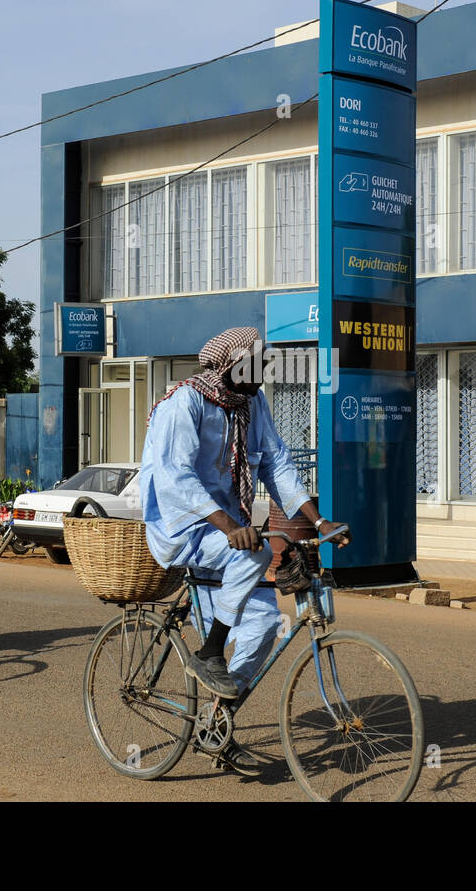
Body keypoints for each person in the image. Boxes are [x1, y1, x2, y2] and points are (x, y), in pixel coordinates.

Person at [141, 327, 350, 776]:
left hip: (229, 533)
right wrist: (231, 526)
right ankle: (209, 650)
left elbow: (276, 463)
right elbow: (175, 476)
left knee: (264, 624)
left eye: (265, 366)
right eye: (255, 366)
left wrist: (318, 521)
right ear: (230, 365)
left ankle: (214, 723)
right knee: (254, 555)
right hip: (185, 527)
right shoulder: (185, 402)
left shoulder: (251, 405)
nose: (262, 374)